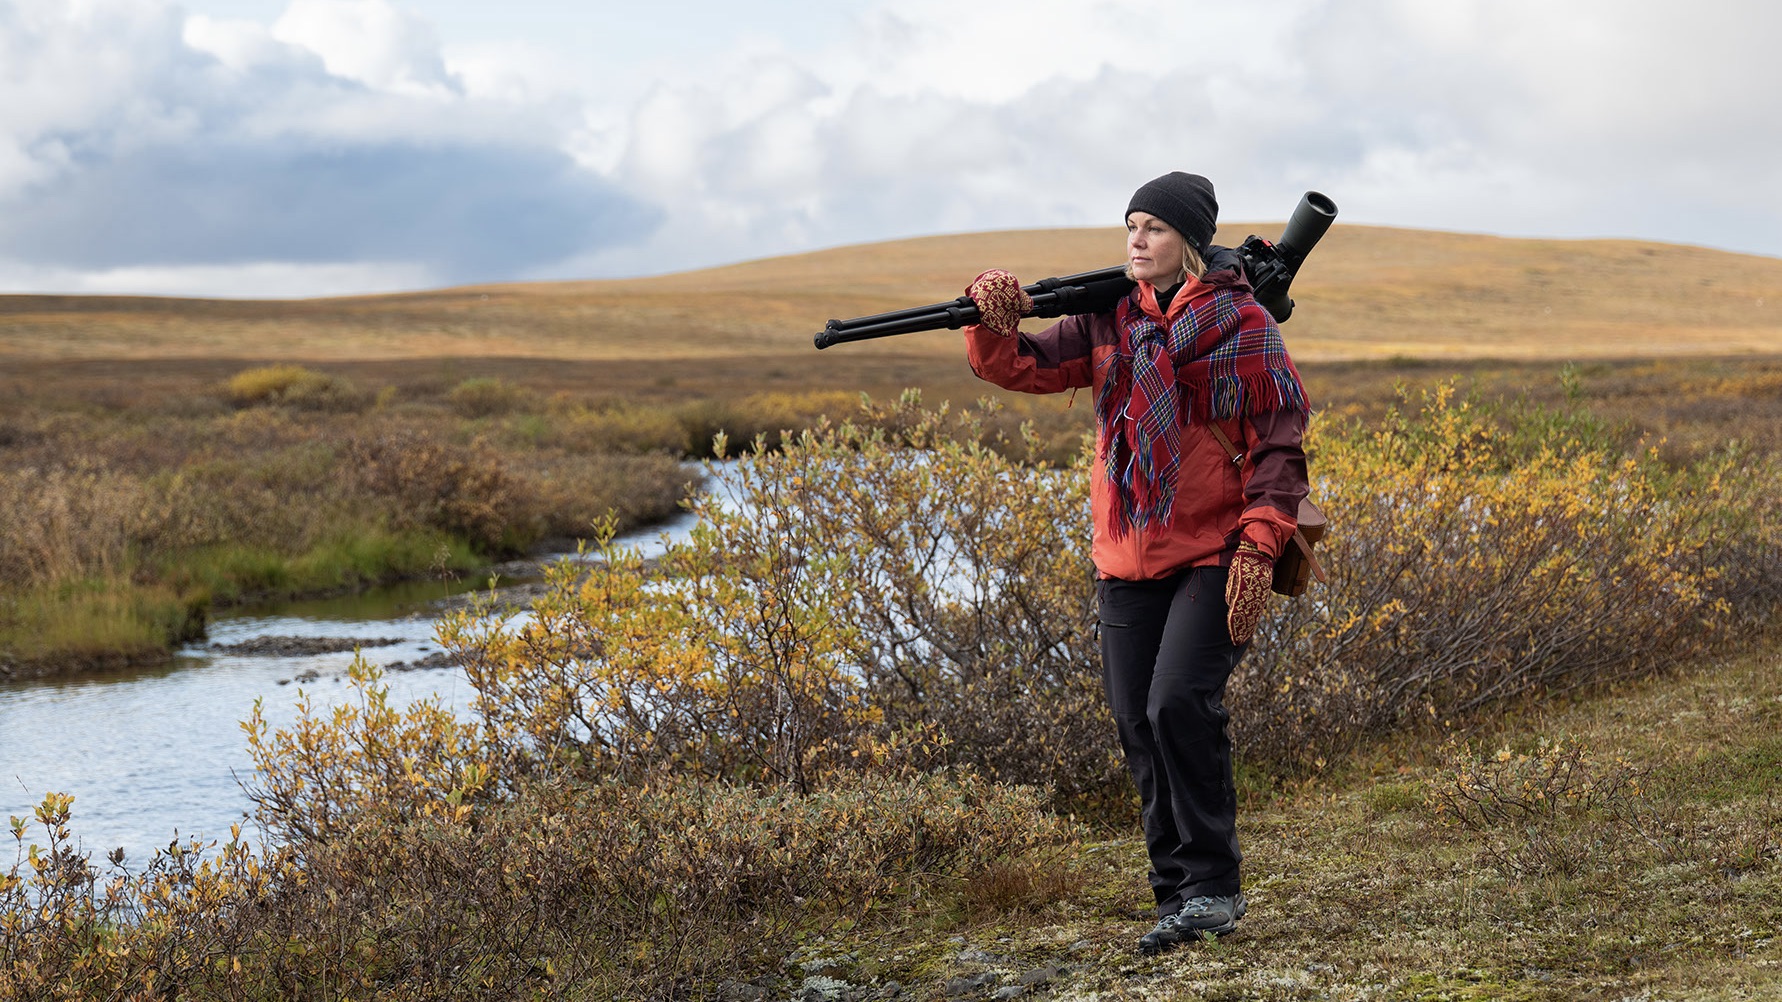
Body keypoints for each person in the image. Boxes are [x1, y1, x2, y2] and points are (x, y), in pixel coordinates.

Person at [959, 172, 1309, 954]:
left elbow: (1279, 448)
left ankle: (1213, 888)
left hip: (1218, 551)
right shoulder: (1107, 318)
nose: (1136, 240)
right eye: (1129, 226)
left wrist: (1259, 545)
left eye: (1152, 227)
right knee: (1135, 724)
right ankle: (1176, 896)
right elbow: (1019, 365)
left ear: (1188, 240)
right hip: (1126, 555)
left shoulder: (1246, 327)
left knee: (1177, 705)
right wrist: (991, 319)